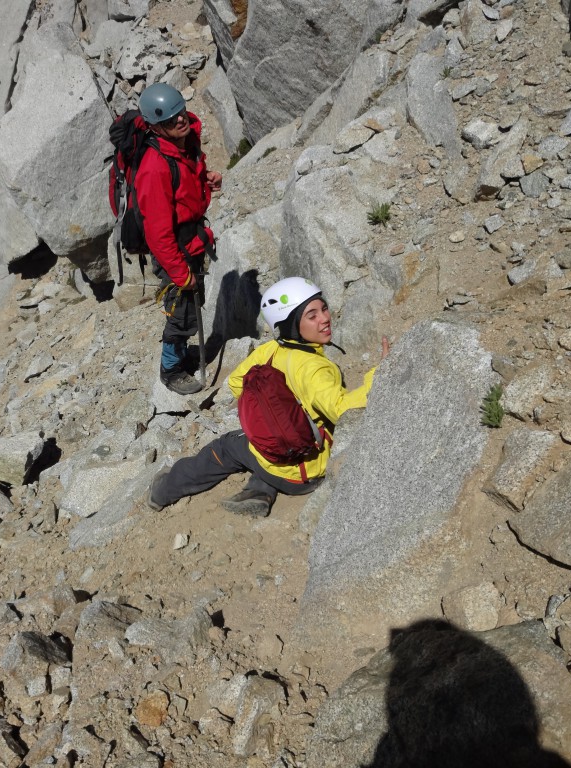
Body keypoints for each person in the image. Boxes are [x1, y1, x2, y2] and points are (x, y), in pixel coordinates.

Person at [146, 276, 390, 518]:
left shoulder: (270, 351)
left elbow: (236, 382)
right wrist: (381, 372)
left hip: (284, 467)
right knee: (273, 440)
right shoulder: (314, 368)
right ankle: (258, 491)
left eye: (323, 309)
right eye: (312, 315)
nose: (325, 318)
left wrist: (266, 415)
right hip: (308, 472)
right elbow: (342, 409)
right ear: (293, 324)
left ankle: (162, 492)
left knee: (227, 446)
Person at [134, 83, 222, 395]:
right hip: (176, 251)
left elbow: (187, 183)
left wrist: (208, 181)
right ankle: (170, 369)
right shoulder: (154, 168)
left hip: (191, 241)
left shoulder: (184, 143)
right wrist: (180, 273)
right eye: (170, 120)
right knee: (183, 310)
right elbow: (158, 233)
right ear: (156, 127)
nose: (180, 121)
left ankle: (182, 354)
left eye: (180, 113)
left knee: (189, 305)